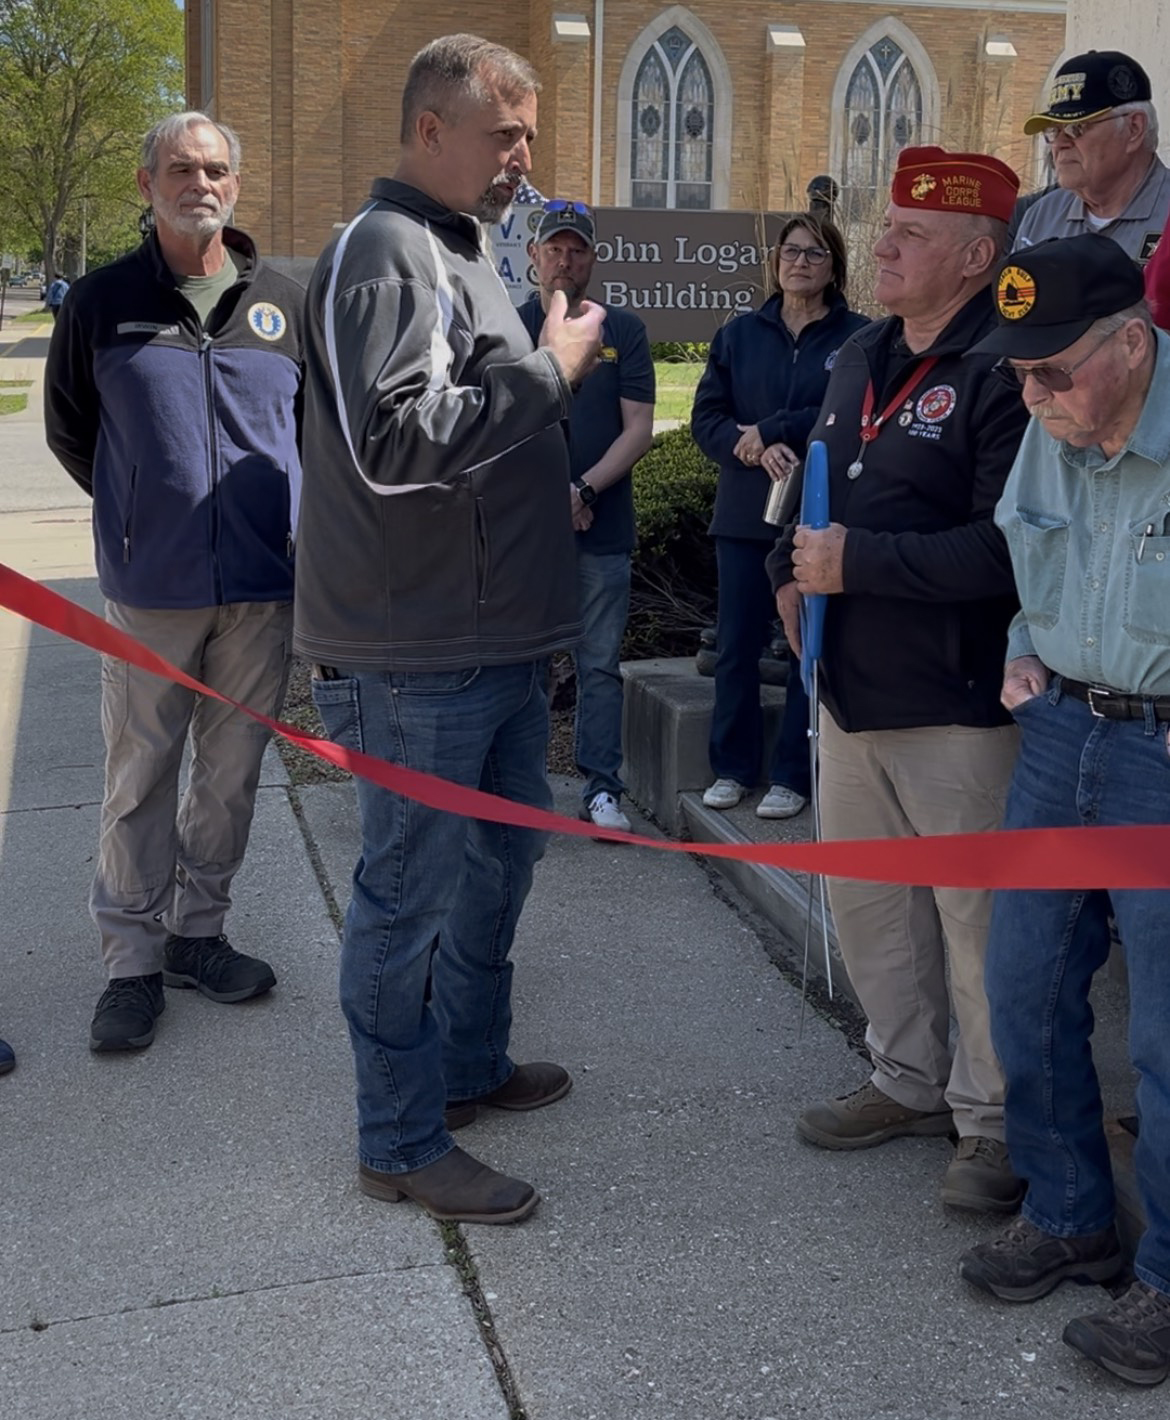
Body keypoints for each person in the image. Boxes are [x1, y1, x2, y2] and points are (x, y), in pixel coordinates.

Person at [295, 34, 604, 1226]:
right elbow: (394, 443)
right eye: (504, 134)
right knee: (406, 899)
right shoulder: (389, 251)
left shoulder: (461, 246)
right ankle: (400, 1140)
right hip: (417, 656)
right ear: (431, 129)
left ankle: (469, 1064)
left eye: (527, 133)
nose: (524, 155)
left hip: (494, 642)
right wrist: (553, 373)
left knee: (498, 865)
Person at [768, 147, 1031, 1211]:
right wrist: (791, 574)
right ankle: (907, 1079)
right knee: (873, 910)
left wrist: (858, 564)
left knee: (977, 927)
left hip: (955, 708)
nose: (882, 247)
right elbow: (821, 486)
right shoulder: (860, 353)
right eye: (887, 226)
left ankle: (993, 1124)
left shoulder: (1006, 372)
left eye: (913, 234)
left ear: (976, 257)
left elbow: (1008, 549)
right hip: (847, 692)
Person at [956, 234, 1170, 1388]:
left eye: (1053, 370)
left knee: (1167, 1038)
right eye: (1019, 373)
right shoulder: (1055, 425)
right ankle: (1070, 1213)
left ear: (1132, 343)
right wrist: (1024, 646)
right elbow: (1027, 558)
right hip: (1060, 737)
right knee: (1023, 986)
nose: (1032, 396)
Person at [44, 112, 304, 1052]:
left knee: (230, 778)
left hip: (261, 590)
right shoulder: (102, 301)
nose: (202, 183)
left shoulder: (283, 303)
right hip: (150, 591)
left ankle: (198, 933)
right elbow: (73, 430)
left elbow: (313, 436)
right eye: (183, 169)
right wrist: (138, 512)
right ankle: (130, 963)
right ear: (147, 183)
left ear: (237, 183)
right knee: (140, 775)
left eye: (217, 169)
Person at [692, 214, 867, 819]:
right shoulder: (739, 335)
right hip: (745, 513)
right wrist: (750, 445)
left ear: (833, 265)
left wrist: (775, 428)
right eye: (791, 251)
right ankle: (732, 769)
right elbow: (706, 418)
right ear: (775, 261)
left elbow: (845, 412)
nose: (800, 263)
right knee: (736, 648)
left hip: (820, 516)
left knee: (804, 647)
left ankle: (793, 774)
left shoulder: (859, 339)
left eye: (815, 253)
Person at [518, 201, 655, 833]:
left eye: (577, 250)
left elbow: (638, 429)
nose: (565, 261)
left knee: (599, 665)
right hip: (525, 536)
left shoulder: (622, 330)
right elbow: (496, 429)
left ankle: (602, 791)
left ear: (593, 259)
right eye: (555, 249)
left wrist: (585, 491)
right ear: (534, 256)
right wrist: (552, 498)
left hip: (603, 529)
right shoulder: (508, 327)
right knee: (525, 666)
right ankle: (522, 791)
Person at [1014, 50, 1170, 265]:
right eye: (1053, 130)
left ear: (1134, 129)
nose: (1059, 143)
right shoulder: (1042, 217)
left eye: (1076, 128)